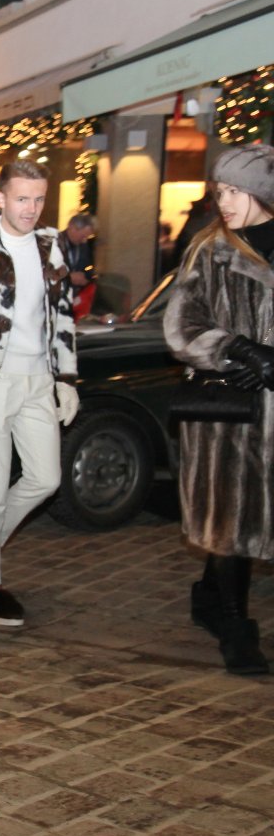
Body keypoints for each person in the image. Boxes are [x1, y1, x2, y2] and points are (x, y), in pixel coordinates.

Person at [0, 160, 79, 631]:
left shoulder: (51, 245)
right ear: (1, 198)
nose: (31, 208)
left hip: (39, 378)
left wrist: (67, 378)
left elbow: (63, 315)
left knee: (46, 478)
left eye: (39, 199)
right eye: (22, 198)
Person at [162, 143, 274, 675]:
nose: (223, 202)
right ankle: (234, 624)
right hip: (229, 415)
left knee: (253, 518)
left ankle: (209, 596)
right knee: (231, 517)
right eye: (220, 191)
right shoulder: (209, 250)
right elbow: (181, 327)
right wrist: (238, 350)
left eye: (235, 191)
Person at [57, 213, 99, 321]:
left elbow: (88, 268)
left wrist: (85, 278)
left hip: (74, 299)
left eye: (87, 237)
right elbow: (45, 272)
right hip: (56, 299)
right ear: (72, 228)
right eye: (83, 236)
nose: (84, 240)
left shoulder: (83, 246)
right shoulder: (54, 243)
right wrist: (68, 277)